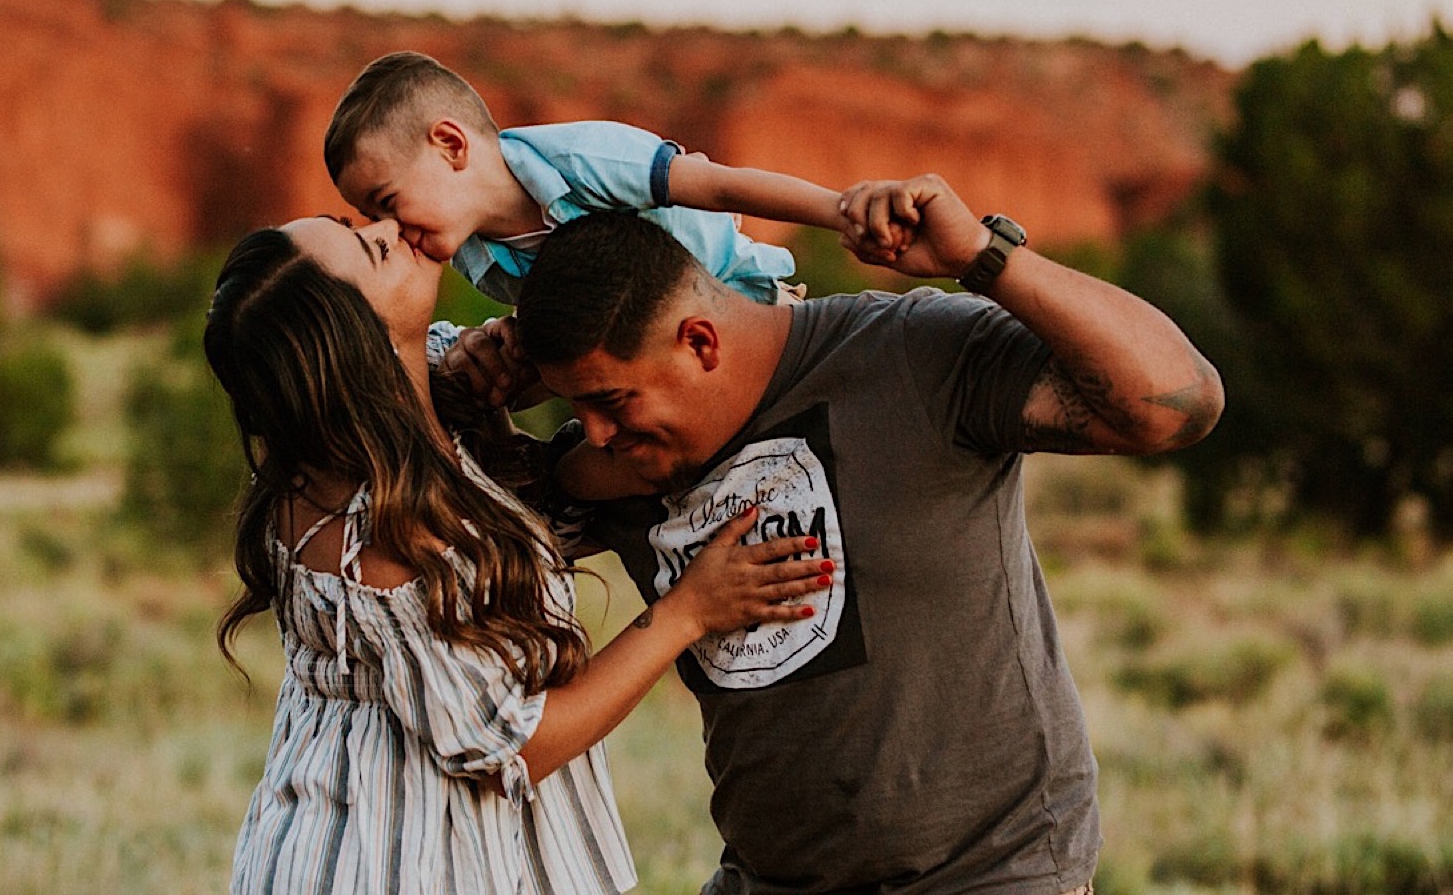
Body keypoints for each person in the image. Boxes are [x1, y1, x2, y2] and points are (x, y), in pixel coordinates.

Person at [439, 178, 1225, 895]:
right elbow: (427, 541)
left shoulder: (906, 355)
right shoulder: (618, 465)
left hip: (990, 874)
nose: (596, 432)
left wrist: (985, 259)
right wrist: (471, 399)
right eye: (583, 407)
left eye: (613, 401)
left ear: (700, 341)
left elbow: (1173, 405)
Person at [204, 215, 839, 894]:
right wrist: (690, 611)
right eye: (376, 249)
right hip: (396, 865)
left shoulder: (417, 424)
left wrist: (512, 369)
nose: (397, 225)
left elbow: (519, 502)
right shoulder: (381, 536)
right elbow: (516, 744)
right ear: (360, 341)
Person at [322, 51, 897, 305]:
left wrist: (842, 210)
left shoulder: (586, 160)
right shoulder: (480, 262)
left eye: (389, 202)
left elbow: (720, 185)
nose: (391, 230)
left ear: (450, 145)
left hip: (740, 302)